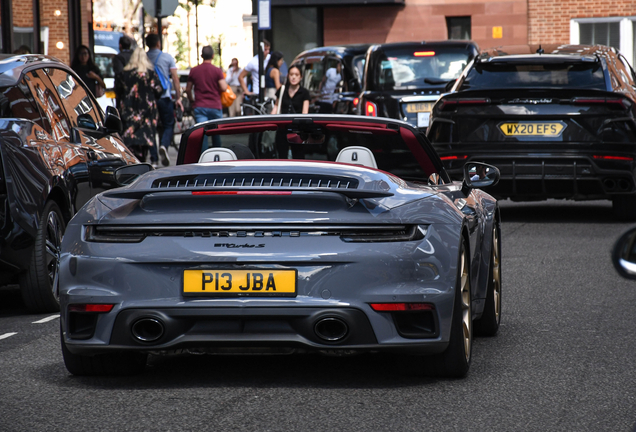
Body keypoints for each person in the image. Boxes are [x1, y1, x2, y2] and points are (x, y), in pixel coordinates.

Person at [114, 48, 163, 166]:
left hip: (129, 109)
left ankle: (131, 161)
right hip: (147, 110)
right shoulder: (150, 74)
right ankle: (150, 160)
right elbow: (159, 90)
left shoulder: (124, 74)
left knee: (129, 137)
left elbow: (118, 92)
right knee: (147, 135)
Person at [145, 33, 183, 166]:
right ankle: (164, 146)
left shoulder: (143, 58)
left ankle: (154, 158)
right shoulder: (167, 58)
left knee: (150, 128)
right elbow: (175, 79)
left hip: (148, 99)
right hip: (164, 97)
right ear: (158, 43)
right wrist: (178, 98)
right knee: (168, 125)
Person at [185, 45, 228, 151]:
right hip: (215, 106)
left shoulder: (194, 70)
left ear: (201, 56)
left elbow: (188, 89)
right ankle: (218, 156)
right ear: (213, 56)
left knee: (202, 133)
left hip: (200, 106)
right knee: (216, 133)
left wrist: (192, 101)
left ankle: (203, 159)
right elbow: (223, 87)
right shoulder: (217, 71)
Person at [271, 65, 310, 159]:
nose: (294, 77)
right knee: (282, 156)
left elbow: (305, 112)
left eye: (296, 75)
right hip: (282, 128)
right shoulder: (282, 90)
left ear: (301, 77)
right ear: (288, 76)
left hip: (298, 130)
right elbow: (276, 106)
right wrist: (271, 118)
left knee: (298, 157)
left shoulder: (304, 92)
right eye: (291, 74)